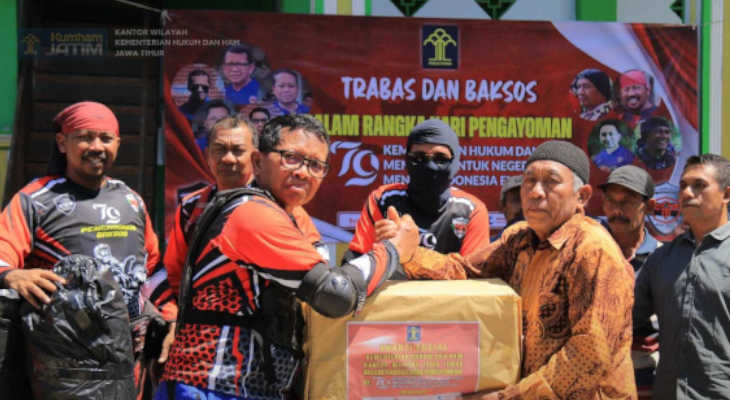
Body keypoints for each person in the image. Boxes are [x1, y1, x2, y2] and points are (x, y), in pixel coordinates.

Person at [156, 114, 418, 399]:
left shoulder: (289, 217)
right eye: (291, 158)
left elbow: (325, 284)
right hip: (211, 386)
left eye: (315, 165)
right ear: (258, 161)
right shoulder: (252, 214)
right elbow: (335, 294)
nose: (303, 172)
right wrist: (393, 250)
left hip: (242, 387)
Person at [404, 141, 637, 399]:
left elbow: (587, 357)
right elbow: (463, 270)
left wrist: (507, 398)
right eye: (529, 181)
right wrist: (407, 252)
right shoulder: (519, 239)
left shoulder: (593, 251)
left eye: (551, 182)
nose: (535, 192)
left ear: (581, 196)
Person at [0, 101, 170, 398]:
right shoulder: (36, 200)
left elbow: (153, 270)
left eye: (105, 138)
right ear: (62, 143)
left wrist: (171, 317)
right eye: (85, 137)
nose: (96, 146)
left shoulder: (131, 201)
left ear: (118, 143)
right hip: (64, 369)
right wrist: (13, 275)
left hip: (127, 360)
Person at [634, 154, 730, 399]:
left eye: (699, 185)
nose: (687, 193)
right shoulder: (661, 259)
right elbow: (628, 319)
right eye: (683, 185)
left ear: (726, 194)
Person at [344, 118, 490, 280]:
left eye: (440, 159)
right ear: (407, 160)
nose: (430, 166)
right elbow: (356, 265)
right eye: (418, 157)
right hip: (393, 295)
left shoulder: (471, 210)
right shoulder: (384, 200)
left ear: (455, 162)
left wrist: (403, 252)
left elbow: (471, 273)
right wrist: (382, 248)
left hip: (450, 296)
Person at [599, 165, 661, 399]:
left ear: (649, 207)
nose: (617, 210)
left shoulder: (662, 257)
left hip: (645, 377)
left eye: (627, 202)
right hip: (596, 377)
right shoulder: (589, 250)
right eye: (611, 201)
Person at [493, 175, 523, 240]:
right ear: (503, 206)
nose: (523, 206)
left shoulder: (545, 243)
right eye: (516, 200)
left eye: (528, 200)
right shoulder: (491, 244)